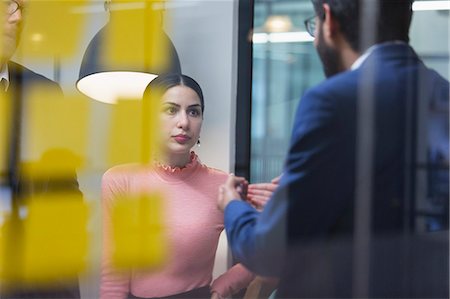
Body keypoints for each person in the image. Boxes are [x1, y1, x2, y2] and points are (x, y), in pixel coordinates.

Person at [218, 0, 449, 298]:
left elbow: (270, 252)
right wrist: (300, 198)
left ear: (328, 21)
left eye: (313, 26)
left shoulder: (334, 100)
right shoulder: (442, 93)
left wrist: (233, 206)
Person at [100, 73, 254, 299]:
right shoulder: (119, 180)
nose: (184, 122)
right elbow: (114, 273)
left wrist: (225, 285)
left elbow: (265, 253)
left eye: (194, 112)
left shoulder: (223, 186)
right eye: (171, 110)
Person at [0, 0, 82, 298]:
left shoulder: (45, 93)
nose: (19, 16)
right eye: (9, 4)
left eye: (22, 7)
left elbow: (64, 201)